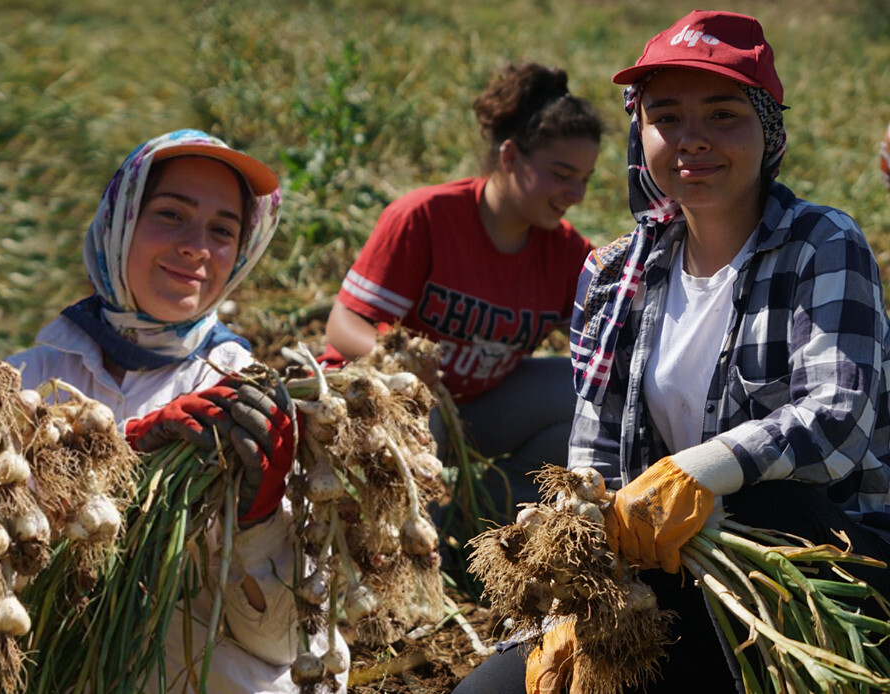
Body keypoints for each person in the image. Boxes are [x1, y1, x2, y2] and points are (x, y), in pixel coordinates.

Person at [455, 10, 890, 694]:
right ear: (640, 131)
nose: (693, 142)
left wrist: (700, 471)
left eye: (723, 116)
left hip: (807, 565)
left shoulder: (821, 244)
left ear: (767, 131)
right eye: (667, 117)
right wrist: (576, 596)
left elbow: (837, 420)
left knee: (769, 504)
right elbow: (593, 460)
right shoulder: (612, 275)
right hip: (662, 566)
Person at [6, 129, 345, 693]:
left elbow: (286, 644)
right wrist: (123, 455)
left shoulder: (243, 394)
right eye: (170, 215)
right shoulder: (29, 380)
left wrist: (259, 521)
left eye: (222, 231)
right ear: (120, 222)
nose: (196, 247)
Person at [323, 62, 602, 504]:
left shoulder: (566, 252)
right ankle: (420, 551)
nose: (577, 194)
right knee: (419, 404)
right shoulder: (425, 217)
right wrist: (404, 369)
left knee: (584, 393)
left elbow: (605, 345)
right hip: (377, 401)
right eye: (562, 174)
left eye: (585, 179)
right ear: (510, 156)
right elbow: (343, 325)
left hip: (471, 410)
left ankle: (484, 518)